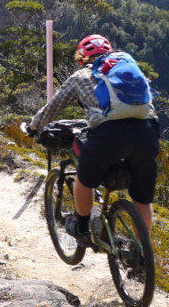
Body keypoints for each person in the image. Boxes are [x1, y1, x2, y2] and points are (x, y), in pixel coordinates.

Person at [25, 33, 161, 242]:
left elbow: (53, 108)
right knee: (141, 198)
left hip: (111, 134)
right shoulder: (125, 67)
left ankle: (81, 226)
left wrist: (33, 126)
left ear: (82, 58)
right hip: (147, 130)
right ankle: (142, 253)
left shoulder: (80, 77)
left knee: (85, 179)